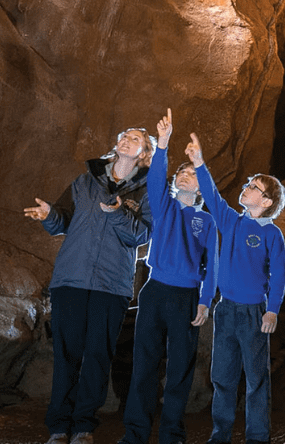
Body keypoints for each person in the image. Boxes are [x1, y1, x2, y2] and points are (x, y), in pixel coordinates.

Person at [24, 128, 156, 444]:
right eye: (124, 135)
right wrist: (48, 215)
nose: (127, 139)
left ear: (144, 153)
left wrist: (117, 214)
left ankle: (84, 427)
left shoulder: (149, 190)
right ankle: (58, 427)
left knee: (97, 355)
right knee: (66, 354)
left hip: (111, 286)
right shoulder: (84, 182)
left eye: (136, 139)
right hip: (71, 279)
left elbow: (142, 236)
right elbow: (63, 222)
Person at [116, 110, 219, 444]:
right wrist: (163, 143)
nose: (184, 176)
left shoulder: (207, 222)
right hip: (155, 291)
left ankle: (172, 434)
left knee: (179, 369)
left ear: (202, 183)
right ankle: (135, 434)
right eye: (181, 173)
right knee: (144, 365)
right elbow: (157, 180)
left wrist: (204, 301)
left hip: (186, 297)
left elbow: (212, 267)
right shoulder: (165, 207)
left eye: (192, 173)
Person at [186, 132, 285, 444]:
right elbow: (213, 197)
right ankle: (220, 435)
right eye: (248, 184)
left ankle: (257, 436)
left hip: (254, 313)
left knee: (257, 377)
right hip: (226, 310)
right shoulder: (230, 221)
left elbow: (280, 275)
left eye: (253, 187)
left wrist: (272, 310)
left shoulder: (272, 235)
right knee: (222, 376)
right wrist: (201, 165)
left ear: (267, 201)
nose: (245, 189)